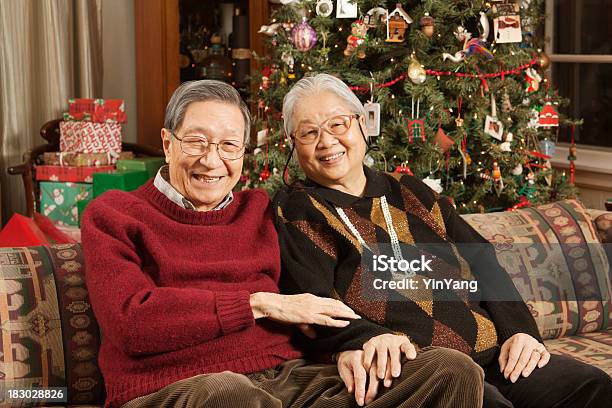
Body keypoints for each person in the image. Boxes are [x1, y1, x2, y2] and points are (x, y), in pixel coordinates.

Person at [81, 79, 484, 408]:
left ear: (244, 151)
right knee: (227, 394)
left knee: (450, 369)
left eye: (228, 146)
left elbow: (312, 294)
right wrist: (258, 303)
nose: (211, 160)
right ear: (168, 144)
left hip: (289, 381)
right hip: (177, 388)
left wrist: (345, 349)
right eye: (196, 142)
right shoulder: (114, 215)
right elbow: (130, 322)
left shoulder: (260, 210)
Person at [273, 73, 612, 408]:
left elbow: (482, 258)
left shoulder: (410, 190)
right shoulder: (298, 210)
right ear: (292, 143)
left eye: (337, 124)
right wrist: (364, 338)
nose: (326, 141)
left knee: (590, 386)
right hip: (422, 368)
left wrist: (519, 330)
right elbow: (311, 302)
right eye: (309, 133)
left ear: (362, 124)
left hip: (495, 354)